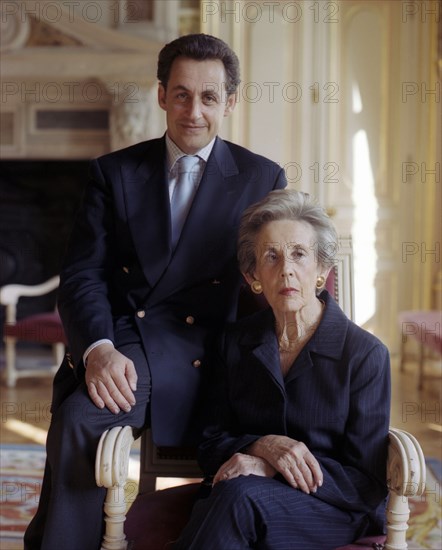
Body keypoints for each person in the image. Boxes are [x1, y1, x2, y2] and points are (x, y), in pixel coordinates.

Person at [24, 33, 287, 550]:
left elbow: (279, 275)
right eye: (182, 94)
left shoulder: (263, 177)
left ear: (229, 102)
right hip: (131, 346)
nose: (194, 111)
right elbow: (82, 276)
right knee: (79, 417)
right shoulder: (114, 172)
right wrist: (97, 350)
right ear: (161, 94)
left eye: (209, 97)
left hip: (219, 352)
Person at [174, 189, 391, 550]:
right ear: (254, 275)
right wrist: (263, 446)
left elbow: (366, 482)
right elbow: (210, 445)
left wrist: (274, 468)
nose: (286, 268)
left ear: (322, 270)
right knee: (233, 498)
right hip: (243, 496)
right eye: (271, 256)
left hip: (333, 506)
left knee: (236, 499)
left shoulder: (365, 355)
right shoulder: (235, 342)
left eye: (299, 254)